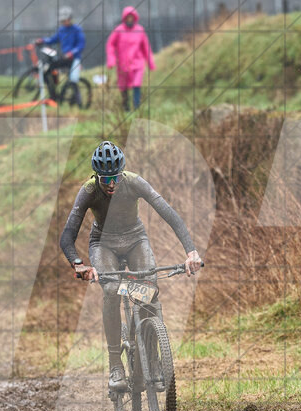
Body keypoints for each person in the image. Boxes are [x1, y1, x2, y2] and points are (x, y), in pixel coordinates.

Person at [60, 141, 202, 391]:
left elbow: (169, 213)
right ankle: (116, 364)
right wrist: (79, 264)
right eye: (106, 179)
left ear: (121, 173)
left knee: (149, 290)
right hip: (103, 243)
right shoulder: (89, 190)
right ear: (97, 176)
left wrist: (190, 251)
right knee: (111, 289)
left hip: (135, 238)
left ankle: (154, 359)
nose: (111, 184)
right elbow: (67, 235)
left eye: (115, 177)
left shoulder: (134, 181)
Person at [105, 6, 155, 111]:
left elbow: (146, 47)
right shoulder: (118, 30)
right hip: (123, 64)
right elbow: (110, 45)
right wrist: (111, 60)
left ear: (135, 18)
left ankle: (137, 107)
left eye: (131, 18)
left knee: (137, 84)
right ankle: (126, 108)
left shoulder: (140, 30)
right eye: (128, 18)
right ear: (124, 18)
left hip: (137, 63)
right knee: (123, 86)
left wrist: (150, 63)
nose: (130, 20)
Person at [35, 6, 86, 105]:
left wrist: (72, 53)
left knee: (73, 80)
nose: (64, 22)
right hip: (64, 58)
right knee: (47, 70)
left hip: (74, 59)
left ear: (70, 19)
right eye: (62, 21)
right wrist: (43, 40)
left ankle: (79, 102)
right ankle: (53, 96)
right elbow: (52, 40)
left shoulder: (77, 30)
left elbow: (81, 45)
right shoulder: (61, 30)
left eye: (65, 20)